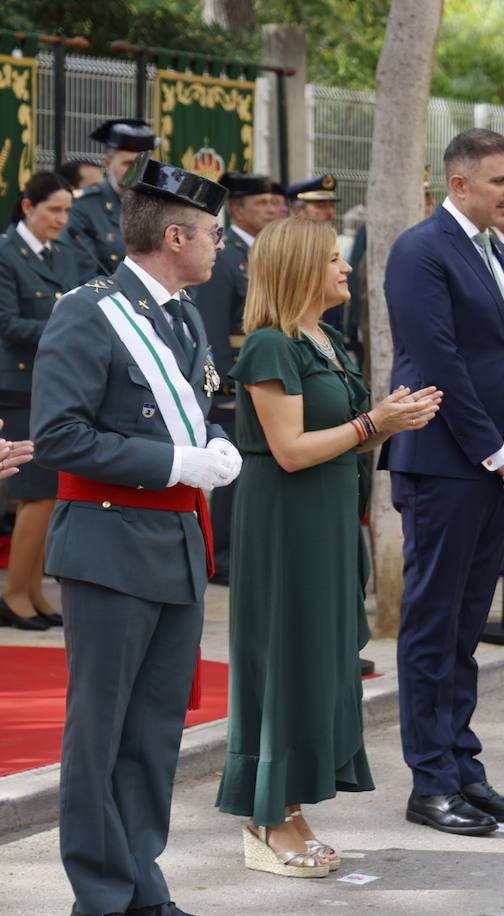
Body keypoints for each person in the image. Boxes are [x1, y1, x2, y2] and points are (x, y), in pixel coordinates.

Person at [33, 152, 241, 916]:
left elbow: (195, 411)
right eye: (215, 233)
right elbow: (59, 437)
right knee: (100, 733)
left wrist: (211, 453)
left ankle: (141, 884)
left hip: (176, 546)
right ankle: (100, 892)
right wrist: (174, 460)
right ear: (178, 236)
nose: (222, 246)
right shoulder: (87, 310)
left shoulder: (182, 315)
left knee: (152, 737)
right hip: (111, 546)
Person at [216, 215, 441, 877]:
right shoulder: (268, 345)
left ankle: (289, 807)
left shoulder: (327, 339)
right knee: (283, 662)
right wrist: (375, 421)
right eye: (334, 260)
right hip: (285, 526)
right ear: (299, 269)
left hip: (330, 521)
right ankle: (264, 815)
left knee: (321, 661)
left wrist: (389, 421)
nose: (347, 269)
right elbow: (288, 451)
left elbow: (340, 433)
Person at [382, 128, 504, 837]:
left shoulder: (498, 251)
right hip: (447, 465)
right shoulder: (421, 250)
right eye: (500, 181)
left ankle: (463, 767)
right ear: (459, 185)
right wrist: (494, 452)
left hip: (497, 465)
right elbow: (437, 360)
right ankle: (431, 781)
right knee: (431, 624)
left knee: (464, 630)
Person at [0, 173, 93, 630]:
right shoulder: (4, 254)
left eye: (67, 211)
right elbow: (7, 322)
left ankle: (34, 592)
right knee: (36, 494)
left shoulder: (63, 255)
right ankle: (15, 593)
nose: (61, 219)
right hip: (16, 386)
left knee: (51, 493)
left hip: (52, 385)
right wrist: (65, 333)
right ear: (27, 206)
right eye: (53, 209)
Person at [185, 172, 278, 583]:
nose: (273, 209)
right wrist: (219, 384)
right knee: (231, 475)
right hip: (233, 381)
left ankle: (240, 547)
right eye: (262, 204)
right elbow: (212, 325)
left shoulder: (259, 250)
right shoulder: (226, 253)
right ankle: (221, 553)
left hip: (256, 377)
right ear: (237, 209)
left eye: (276, 202)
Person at [64, 118, 159, 275]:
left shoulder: (160, 207)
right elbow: (83, 274)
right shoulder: (84, 207)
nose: (137, 171)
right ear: (108, 164)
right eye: (128, 164)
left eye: (143, 163)